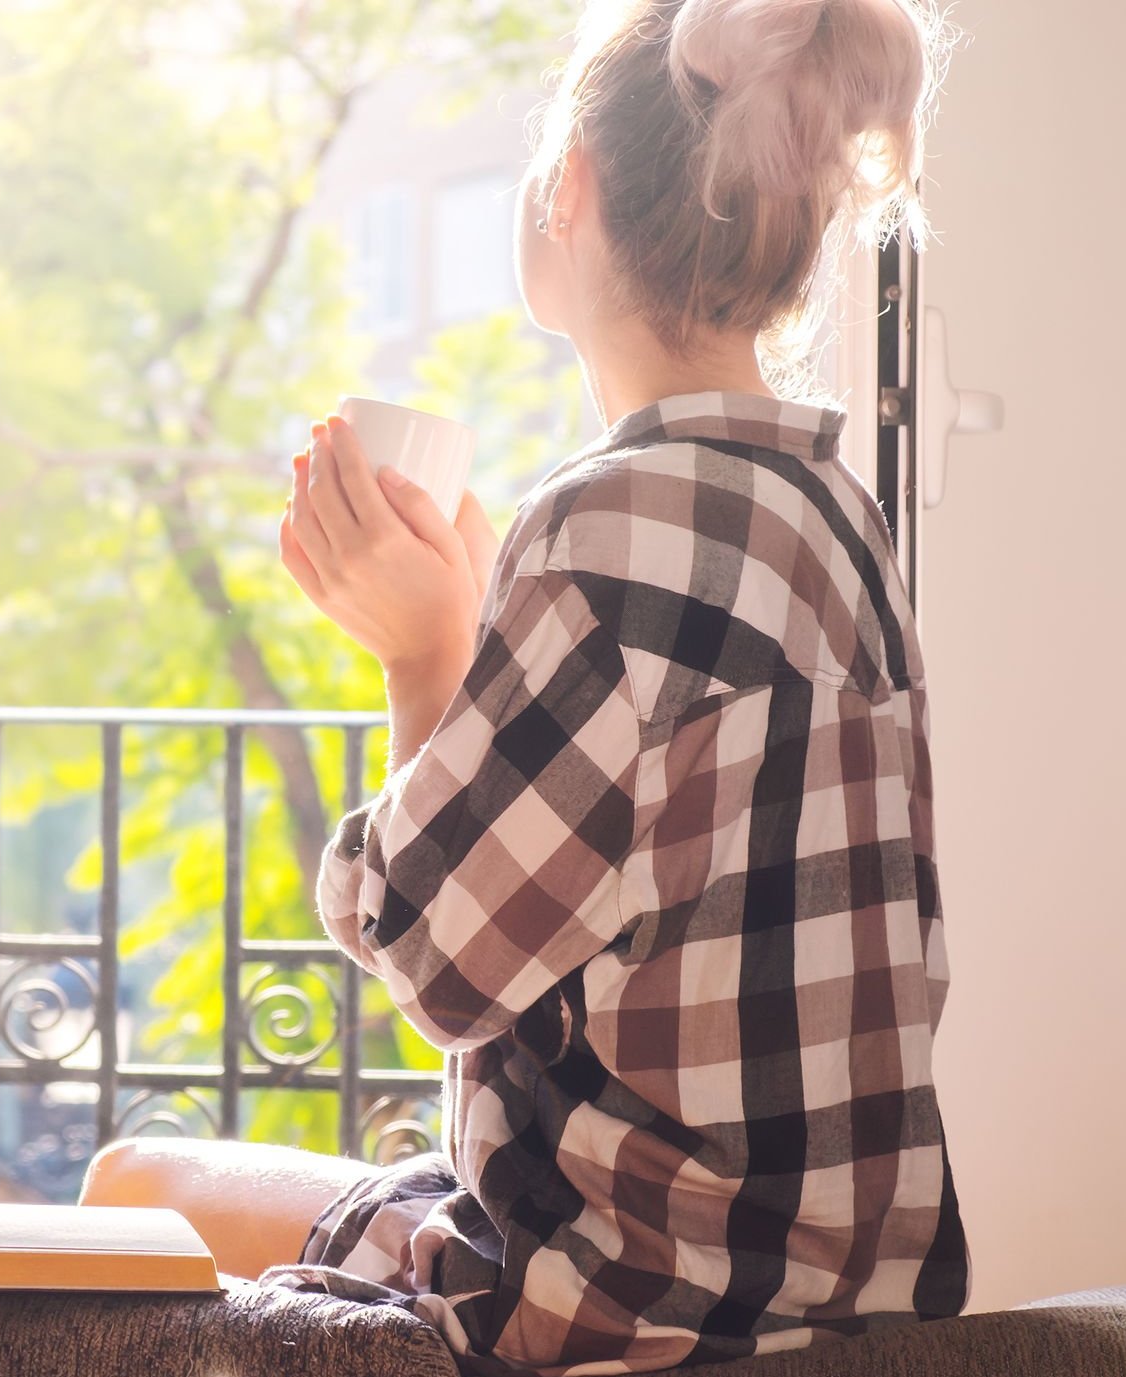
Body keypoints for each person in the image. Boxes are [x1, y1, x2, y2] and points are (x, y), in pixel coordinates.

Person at [79, 0, 967, 1370]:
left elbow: (442, 964)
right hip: (854, 1295)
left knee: (132, 1183)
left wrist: (424, 652)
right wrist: (496, 635)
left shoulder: (604, 521)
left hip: (625, 1305)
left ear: (569, 190)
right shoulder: (838, 514)